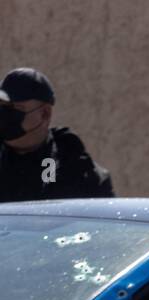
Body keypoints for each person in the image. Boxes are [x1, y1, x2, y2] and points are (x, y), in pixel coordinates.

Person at [0, 68, 114, 203]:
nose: (5, 115)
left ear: (45, 114)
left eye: (17, 109)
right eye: (2, 106)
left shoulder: (69, 159)